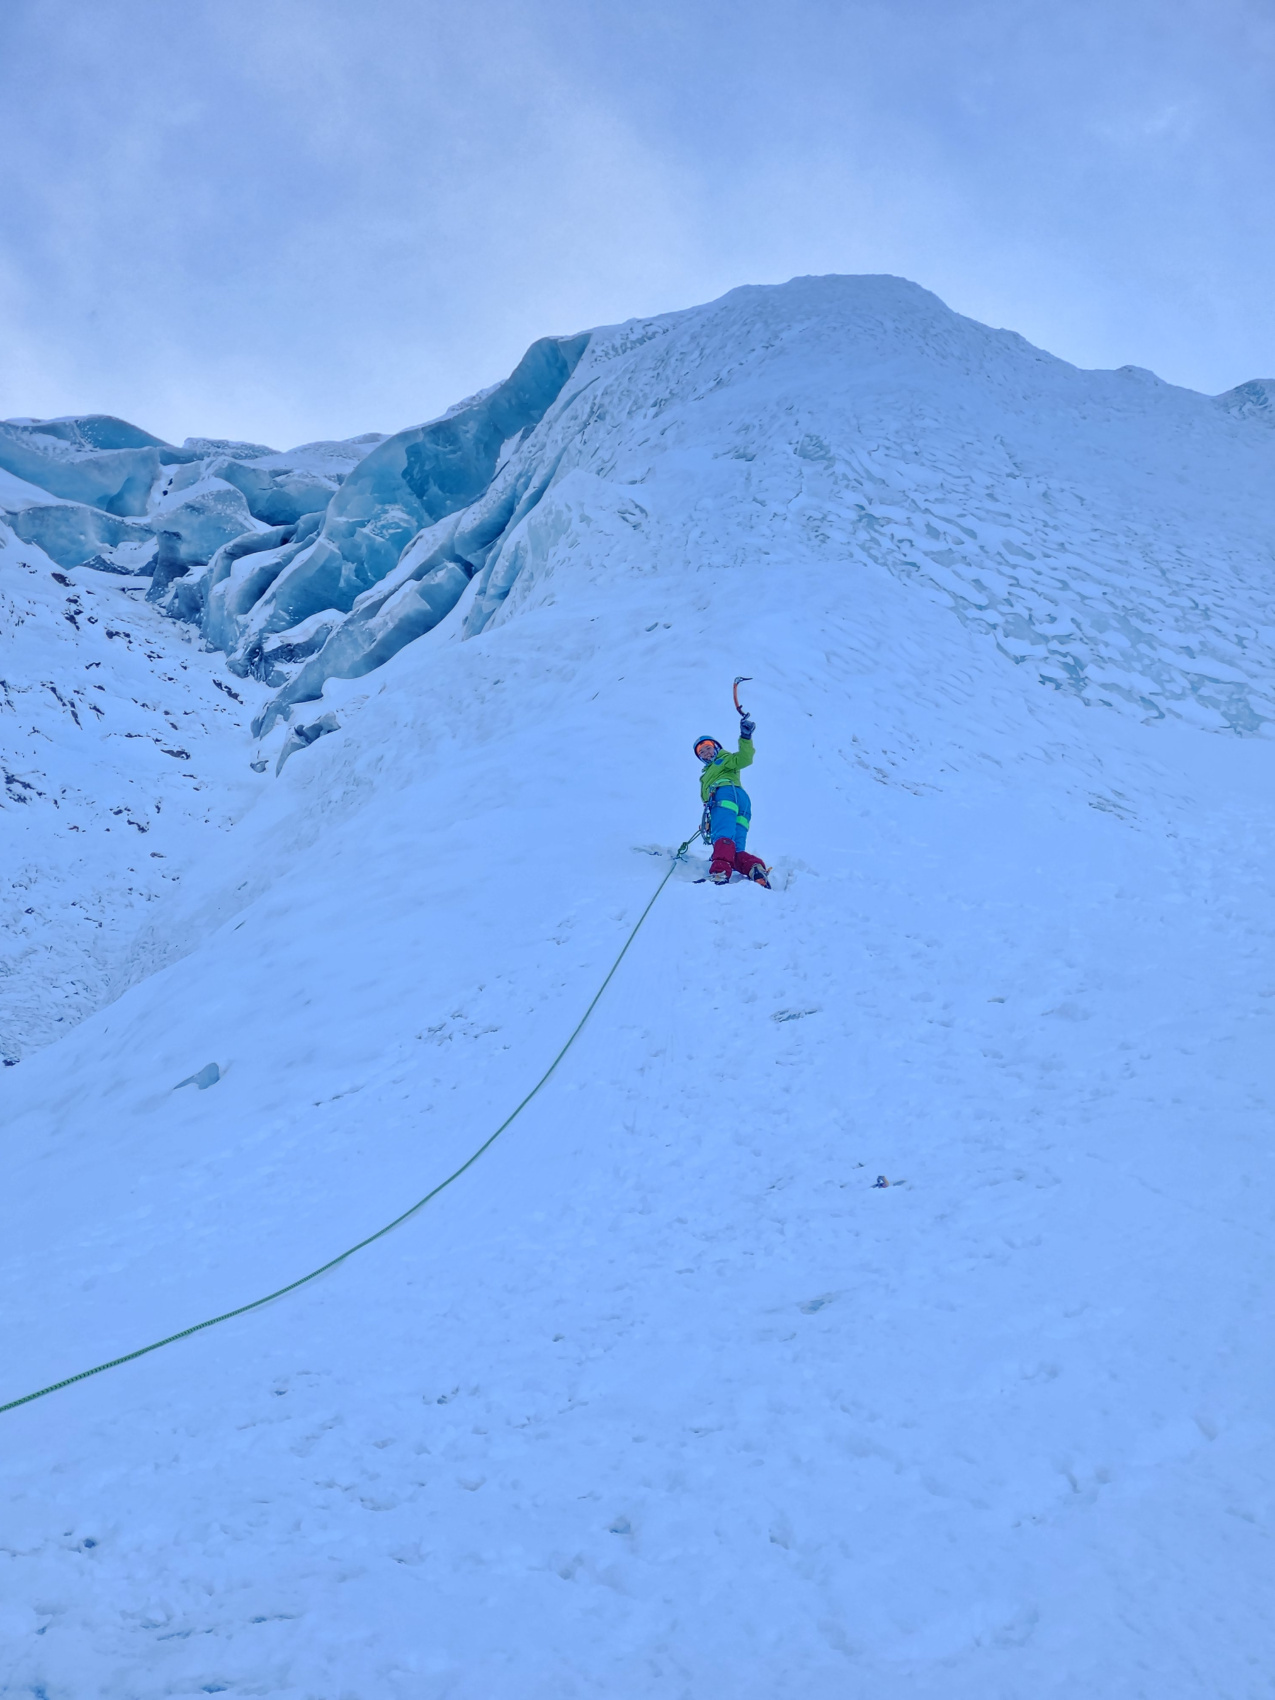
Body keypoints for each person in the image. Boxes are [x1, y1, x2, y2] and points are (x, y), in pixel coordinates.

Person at [694, 713, 771, 886]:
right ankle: (755, 868)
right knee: (734, 850)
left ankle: (720, 872)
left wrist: (745, 737)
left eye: (707, 747)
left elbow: (744, 758)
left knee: (723, 835)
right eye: (701, 751)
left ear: (715, 747)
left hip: (725, 795)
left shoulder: (723, 759)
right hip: (741, 801)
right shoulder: (710, 771)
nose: (706, 752)